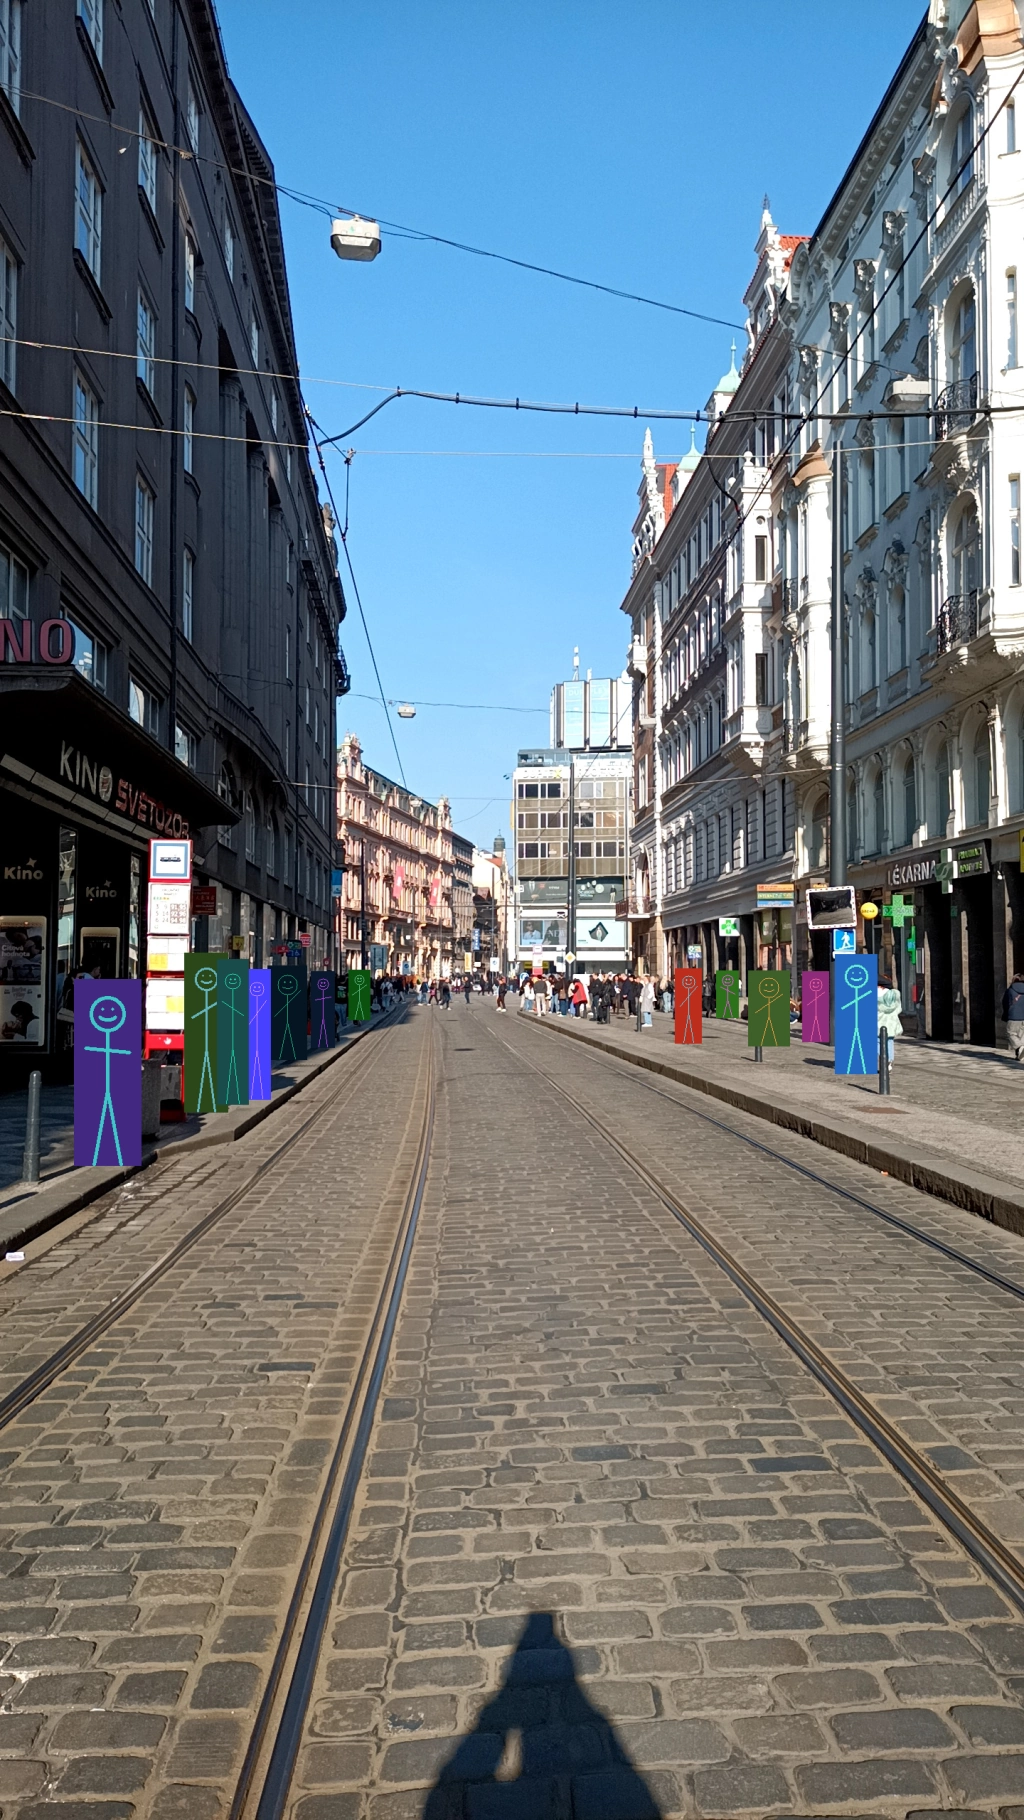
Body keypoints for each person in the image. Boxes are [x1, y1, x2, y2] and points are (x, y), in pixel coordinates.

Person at [877, 973, 903, 1072]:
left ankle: (883, 1059)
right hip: (891, 1022)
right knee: (889, 1041)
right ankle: (889, 1061)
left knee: (877, 1041)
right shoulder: (894, 994)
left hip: (878, 1021)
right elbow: (898, 1009)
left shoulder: (873, 994)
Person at [1003, 973, 1024, 1061]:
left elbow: (1005, 1003)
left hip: (1013, 1016)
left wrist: (1006, 1014)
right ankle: (1019, 1055)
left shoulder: (1010, 990)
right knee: (1021, 1036)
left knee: (1010, 1034)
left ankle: (1020, 1047)